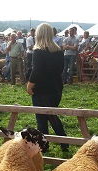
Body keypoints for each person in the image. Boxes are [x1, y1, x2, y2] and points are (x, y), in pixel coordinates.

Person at [27, 23, 69, 152]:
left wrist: (29, 85)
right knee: (52, 115)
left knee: (42, 118)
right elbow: (61, 69)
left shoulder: (38, 51)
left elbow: (37, 71)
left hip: (41, 89)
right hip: (56, 88)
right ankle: (63, 142)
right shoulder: (59, 51)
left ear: (39, 34)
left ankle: (44, 146)